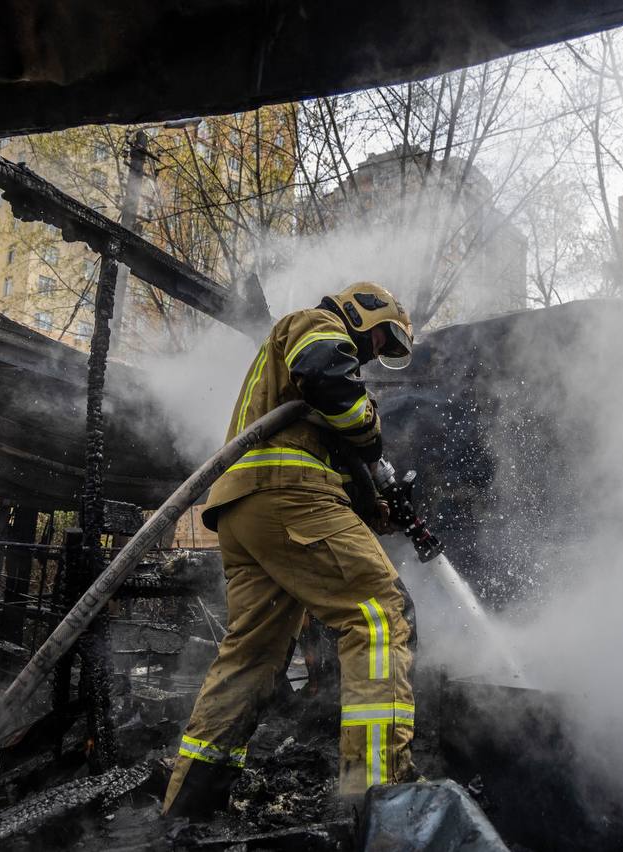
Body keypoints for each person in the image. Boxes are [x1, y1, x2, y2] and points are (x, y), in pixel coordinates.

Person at [162, 281, 417, 819]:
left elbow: (323, 437)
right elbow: (329, 379)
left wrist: (373, 504)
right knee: (378, 614)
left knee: (252, 656)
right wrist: (371, 433)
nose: (374, 354)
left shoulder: (295, 380)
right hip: (289, 495)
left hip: (247, 509)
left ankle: (189, 804)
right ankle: (377, 798)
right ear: (362, 312)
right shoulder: (316, 324)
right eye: (380, 340)